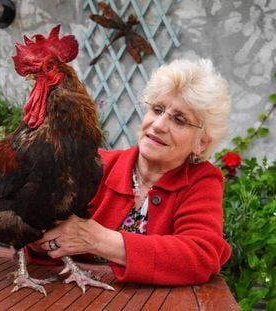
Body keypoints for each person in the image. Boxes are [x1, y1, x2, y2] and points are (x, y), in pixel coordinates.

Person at [30, 58, 232, 285]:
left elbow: (200, 257)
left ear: (202, 143)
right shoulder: (94, 166)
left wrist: (95, 239)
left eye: (179, 120)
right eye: (157, 110)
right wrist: (43, 240)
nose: (158, 125)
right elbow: (43, 239)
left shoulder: (201, 181)